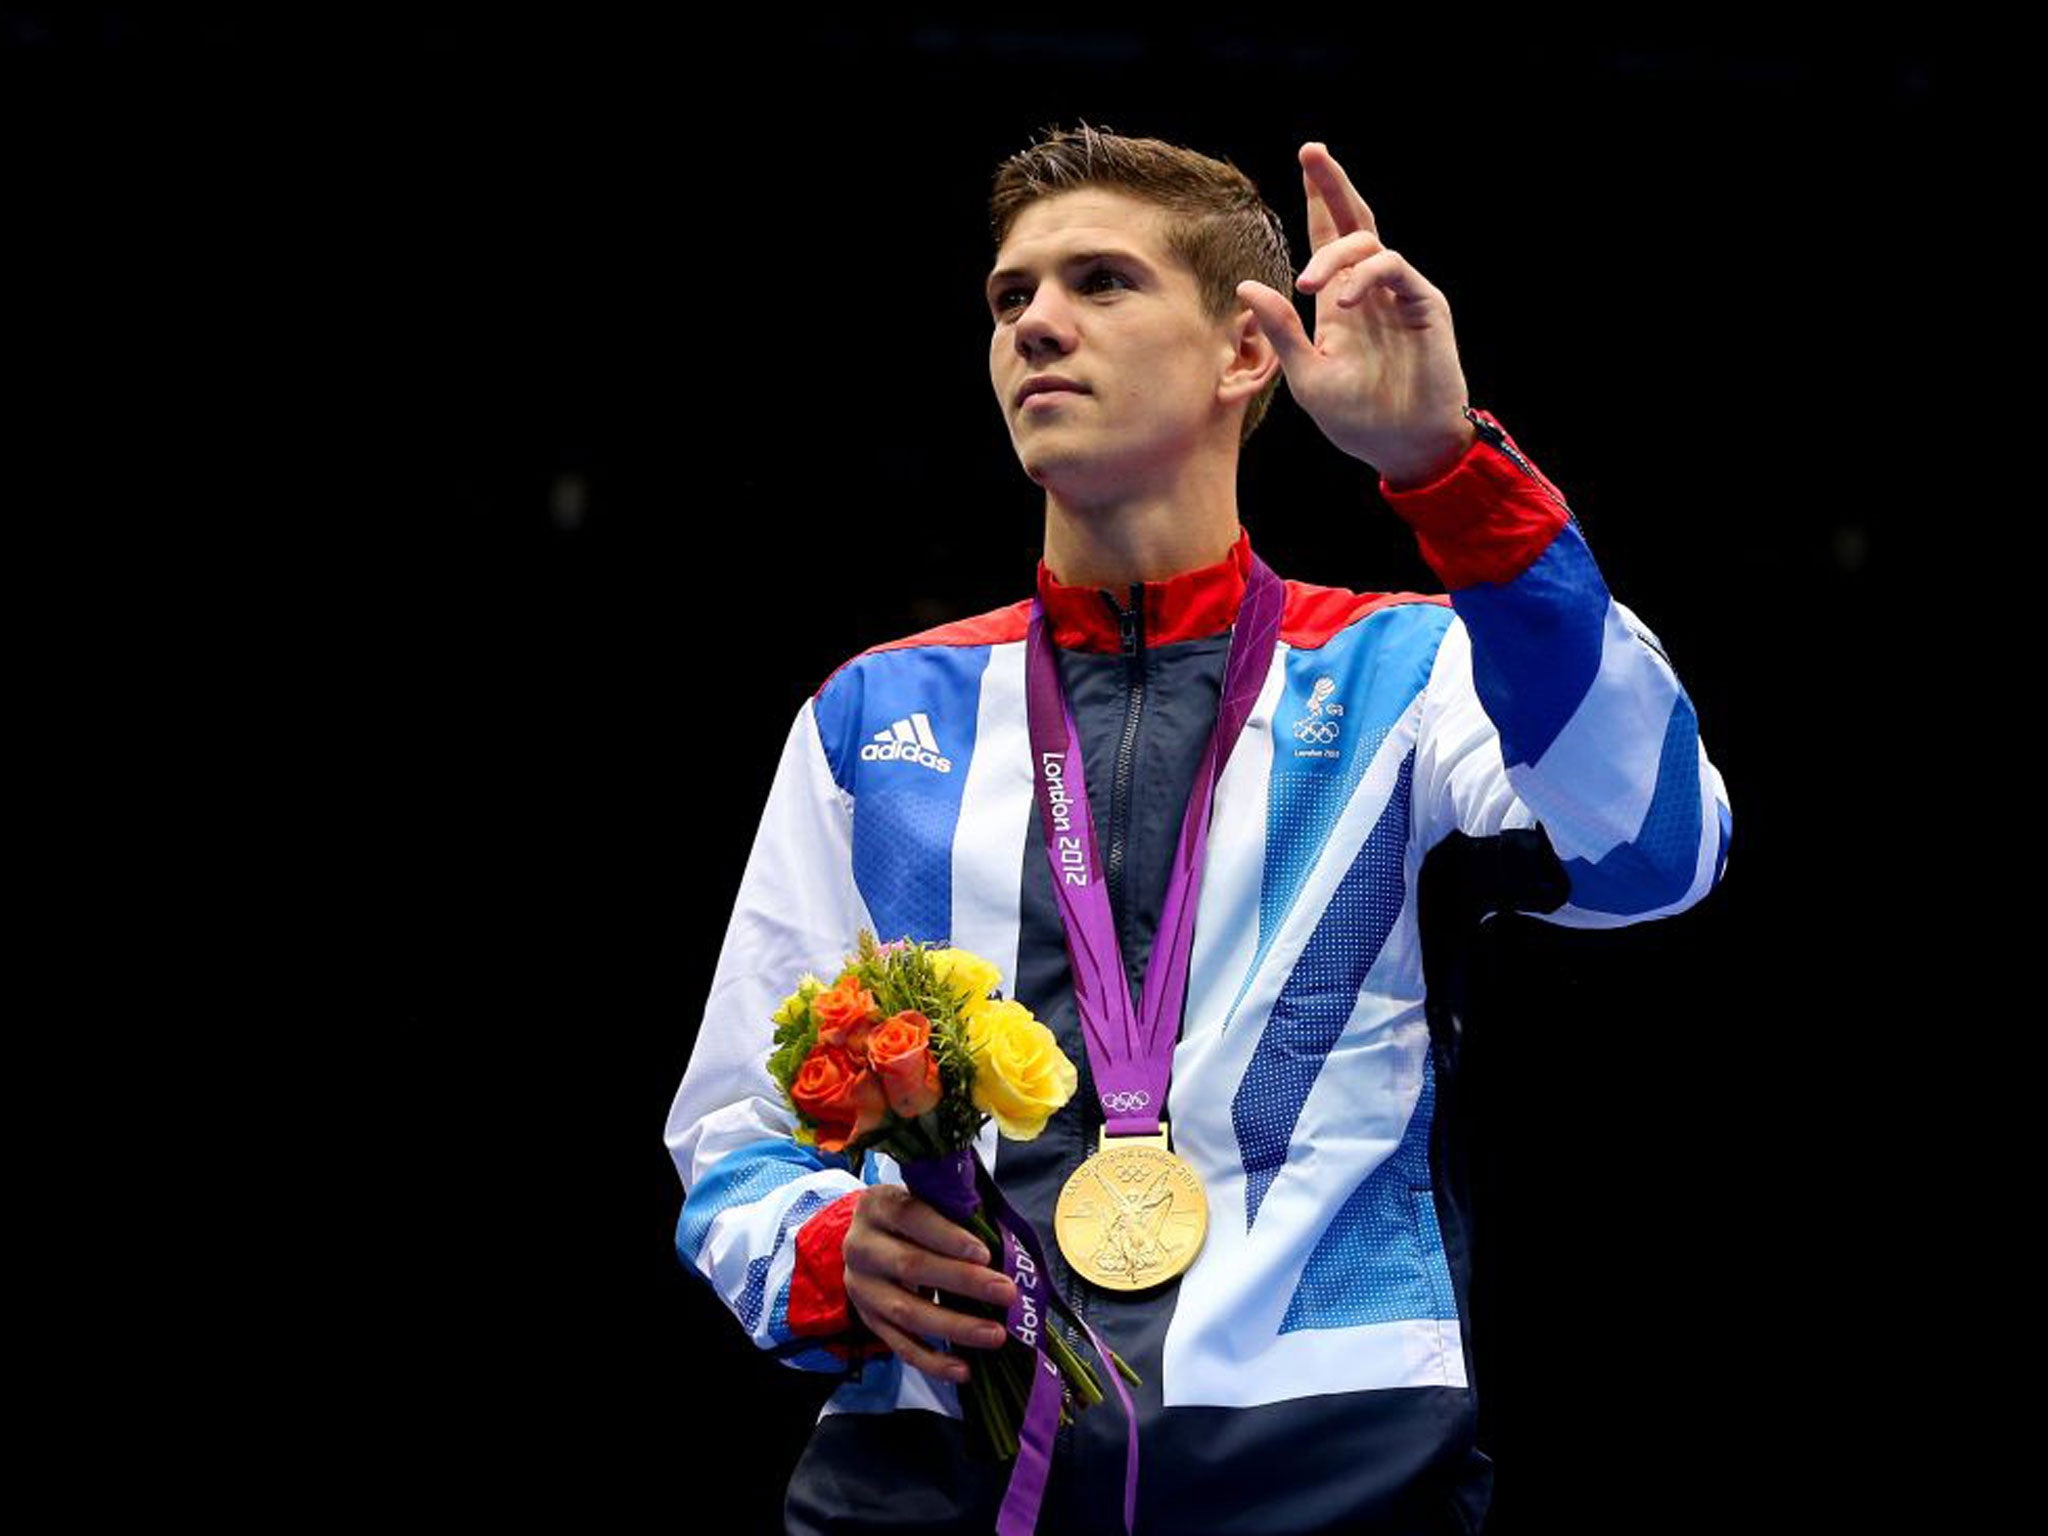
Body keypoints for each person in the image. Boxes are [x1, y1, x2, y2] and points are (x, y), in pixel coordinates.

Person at [664, 123, 1733, 1536]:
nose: (1036, 321)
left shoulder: (1412, 678)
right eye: (1008, 297)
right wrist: (822, 1254)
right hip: (929, 1486)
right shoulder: (878, 719)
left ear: (1246, 353)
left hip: (1332, 1485)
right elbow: (736, 1125)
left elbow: (1657, 851)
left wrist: (1450, 478)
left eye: (1101, 282)